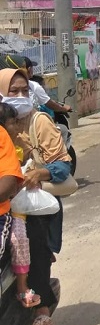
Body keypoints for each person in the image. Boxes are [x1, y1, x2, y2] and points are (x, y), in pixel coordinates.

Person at [0, 67, 72, 325]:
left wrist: (41, 172)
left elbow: (64, 165)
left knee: (31, 240)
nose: (19, 96)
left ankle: (41, 308)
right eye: (12, 91)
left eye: (24, 91)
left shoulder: (38, 121)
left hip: (32, 203)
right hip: (5, 203)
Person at [0, 102, 39, 309]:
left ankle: (22, 287)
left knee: (19, 238)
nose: (16, 126)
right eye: (13, 122)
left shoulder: (11, 143)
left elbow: (9, 183)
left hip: (13, 208)